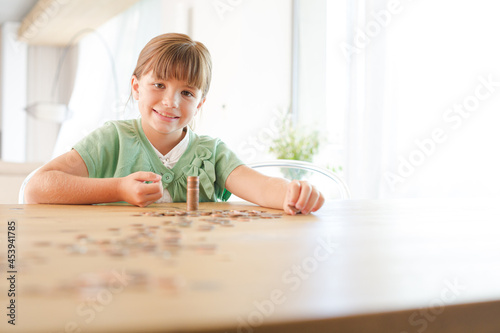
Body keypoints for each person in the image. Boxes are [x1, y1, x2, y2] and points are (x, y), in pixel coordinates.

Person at [25, 33, 324, 215]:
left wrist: (293, 193)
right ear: (136, 86)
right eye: (158, 84)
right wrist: (117, 188)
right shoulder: (112, 139)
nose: (171, 102)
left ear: (200, 102)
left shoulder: (213, 153)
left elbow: (261, 188)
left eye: (186, 93)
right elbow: (37, 188)